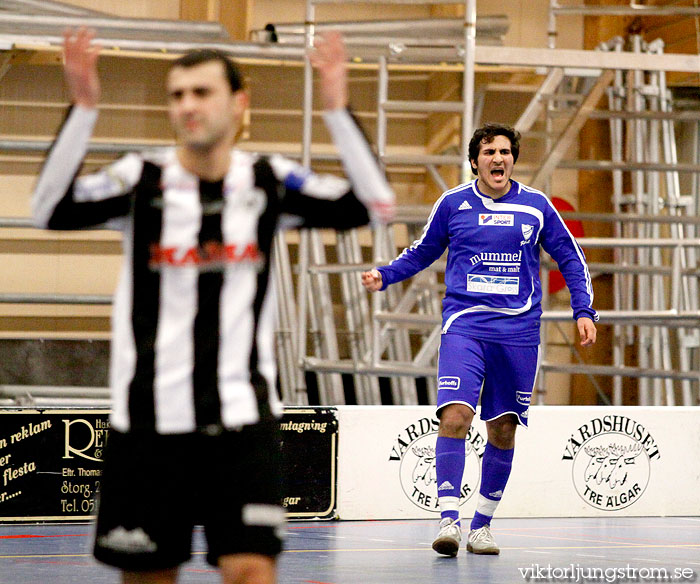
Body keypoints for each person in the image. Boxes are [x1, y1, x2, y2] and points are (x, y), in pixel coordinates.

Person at [33, 28, 394, 584]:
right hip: (148, 421)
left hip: (242, 418)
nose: (188, 106)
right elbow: (48, 210)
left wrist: (337, 109)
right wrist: (83, 106)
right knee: (149, 575)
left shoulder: (269, 180)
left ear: (238, 102)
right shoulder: (141, 179)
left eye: (202, 93)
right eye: (177, 95)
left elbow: (374, 204)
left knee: (250, 568)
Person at [362, 123, 596, 557]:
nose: (498, 159)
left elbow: (570, 255)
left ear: (513, 159)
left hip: (520, 332)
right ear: (475, 161)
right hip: (466, 326)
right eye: (489, 151)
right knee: (454, 417)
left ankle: (482, 526)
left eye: (505, 151)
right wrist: (385, 274)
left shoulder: (536, 206)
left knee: (503, 428)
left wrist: (584, 309)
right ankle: (448, 519)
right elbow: (422, 250)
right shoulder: (453, 204)